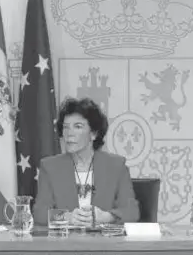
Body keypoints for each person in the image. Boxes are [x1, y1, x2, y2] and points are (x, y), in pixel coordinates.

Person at [33, 97, 140, 226]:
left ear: (93, 134)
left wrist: (105, 217)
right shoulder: (50, 167)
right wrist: (67, 217)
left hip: (105, 244)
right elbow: (39, 212)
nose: (69, 134)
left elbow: (132, 211)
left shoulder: (116, 166)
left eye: (78, 126)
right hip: (64, 244)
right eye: (65, 127)